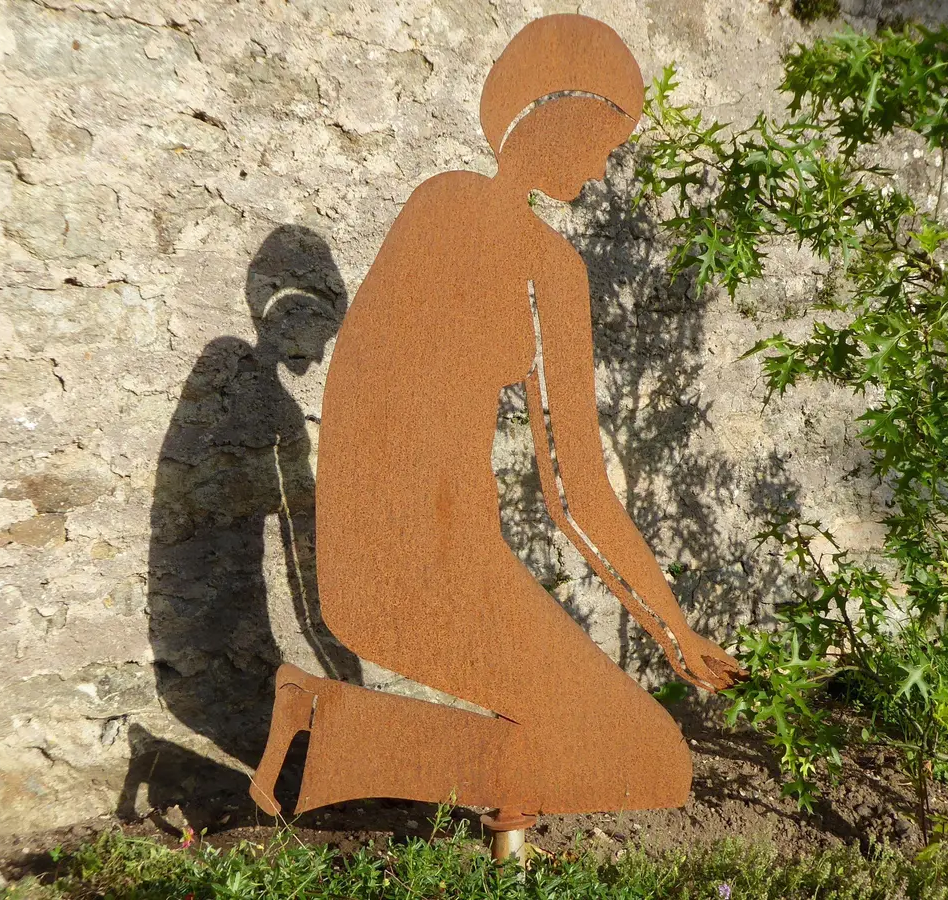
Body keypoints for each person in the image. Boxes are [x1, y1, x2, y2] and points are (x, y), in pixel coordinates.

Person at [248, 14, 743, 822]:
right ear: (555, 115)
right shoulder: (546, 266)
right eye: (603, 142)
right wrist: (670, 629)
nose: (602, 167)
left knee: (583, 738)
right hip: (437, 572)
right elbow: (575, 492)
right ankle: (331, 735)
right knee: (652, 761)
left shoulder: (437, 203)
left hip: (377, 566)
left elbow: (356, 408)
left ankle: (323, 729)